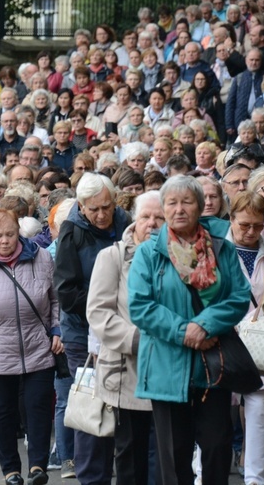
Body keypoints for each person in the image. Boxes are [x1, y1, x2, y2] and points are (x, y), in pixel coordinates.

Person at [127, 175, 251, 485]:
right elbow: (141, 307)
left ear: (201, 207)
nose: (179, 209)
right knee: (174, 455)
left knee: (217, 448)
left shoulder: (221, 247)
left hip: (214, 366)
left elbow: (238, 298)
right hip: (167, 365)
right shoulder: (148, 253)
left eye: (187, 201)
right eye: (172, 202)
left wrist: (205, 325)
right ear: (164, 208)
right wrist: (187, 331)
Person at [0, 208, 63, 485]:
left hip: (38, 345)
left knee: (38, 408)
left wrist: (56, 329)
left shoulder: (41, 258)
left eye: (9, 234)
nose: (5, 240)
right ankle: (10, 470)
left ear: (18, 232)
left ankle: (38, 467)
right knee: (3, 412)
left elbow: (55, 299)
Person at [55, 172, 129, 484]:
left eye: (106, 207)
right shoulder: (71, 233)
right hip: (81, 336)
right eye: (93, 209)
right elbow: (67, 293)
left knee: (124, 407)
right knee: (93, 407)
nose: (101, 215)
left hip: (123, 331)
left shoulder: (126, 224)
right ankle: (90, 477)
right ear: (82, 207)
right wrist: (107, 301)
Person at [87, 190, 165, 485]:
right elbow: (99, 313)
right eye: (146, 217)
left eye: (159, 217)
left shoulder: (180, 258)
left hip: (169, 370)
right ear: (135, 219)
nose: (152, 223)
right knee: (130, 453)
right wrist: (140, 340)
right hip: (126, 371)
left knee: (165, 454)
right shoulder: (112, 257)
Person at [227, 191, 264, 485]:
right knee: (216, 416)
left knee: (259, 415)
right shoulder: (215, 251)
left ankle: (255, 480)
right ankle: (201, 475)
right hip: (222, 341)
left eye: (257, 226)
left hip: (260, 344)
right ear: (231, 218)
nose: (250, 232)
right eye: (244, 224)